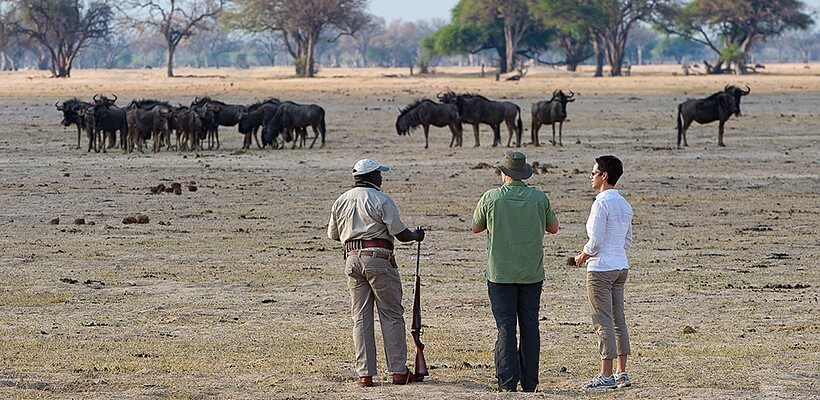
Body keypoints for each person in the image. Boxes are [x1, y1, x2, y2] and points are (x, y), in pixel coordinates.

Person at [327, 158, 425, 388]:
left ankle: (365, 374)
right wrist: (415, 236)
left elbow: (333, 235)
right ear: (371, 177)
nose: (381, 178)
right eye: (379, 174)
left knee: (360, 318)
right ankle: (398, 371)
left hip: (351, 259)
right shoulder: (381, 199)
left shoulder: (340, 201)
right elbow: (400, 233)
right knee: (391, 315)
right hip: (379, 259)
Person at [471, 151, 559, 392]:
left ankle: (508, 382)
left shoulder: (491, 198)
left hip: (500, 274)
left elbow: (475, 227)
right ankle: (530, 382)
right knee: (530, 325)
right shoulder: (539, 198)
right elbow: (553, 228)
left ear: (504, 174)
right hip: (531, 273)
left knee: (506, 326)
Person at [574, 155, 634, 390]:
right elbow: (627, 241)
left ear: (604, 175)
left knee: (603, 321)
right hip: (620, 266)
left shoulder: (601, 203)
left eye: (594, 173)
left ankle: (606, 375)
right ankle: (621, 373)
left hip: (601, 269)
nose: (591, 177)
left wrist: (582, 256)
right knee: (619, 320)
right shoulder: (624, 204)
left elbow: (596, 241)